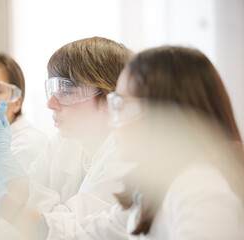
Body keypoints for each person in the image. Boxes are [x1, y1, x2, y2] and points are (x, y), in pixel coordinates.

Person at [0, 37, 134, 238]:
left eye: (67, 90)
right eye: (54, 89)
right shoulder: (63, 143)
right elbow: (20, 218)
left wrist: (2, 160)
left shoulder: (126, 158)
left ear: (110, 97)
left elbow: (66, 230)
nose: (50, 102)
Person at [76, 46, 244, 239]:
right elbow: (94, 232)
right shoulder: (159, 184)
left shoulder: (200, 186)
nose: (112, 122)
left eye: (121, 105)